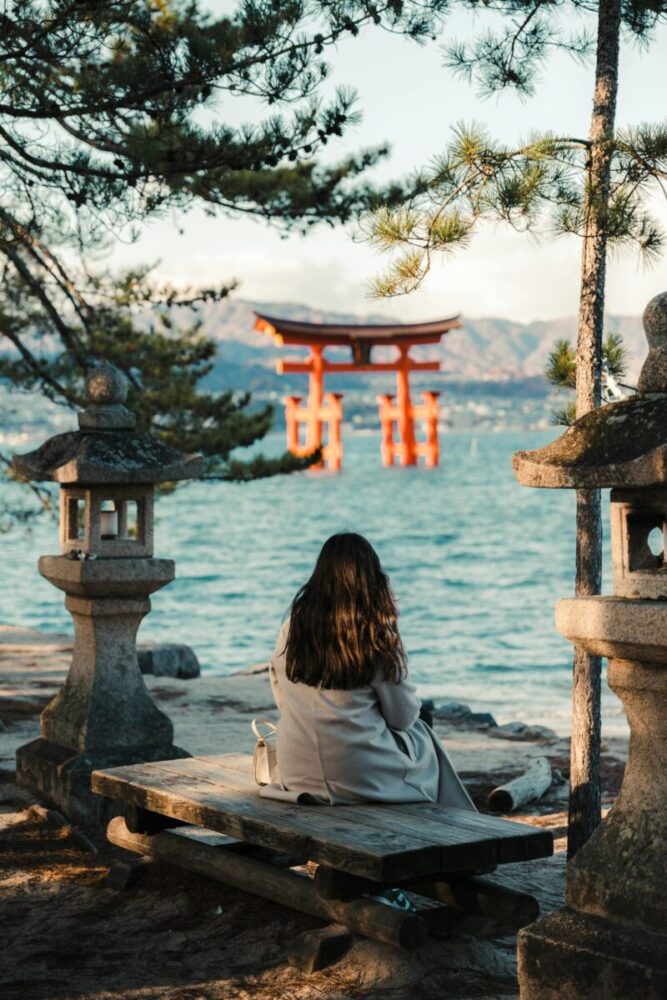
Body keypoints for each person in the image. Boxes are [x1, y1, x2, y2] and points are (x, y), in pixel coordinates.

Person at [261, 531, 475, 813]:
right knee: (423, 728)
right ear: (372, 580)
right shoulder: (374, 634)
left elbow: (282, 698)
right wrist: (391, 623)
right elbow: (403, 717)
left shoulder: (292, 627)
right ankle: (455, 828)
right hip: (357, 778)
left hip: (297, 773)